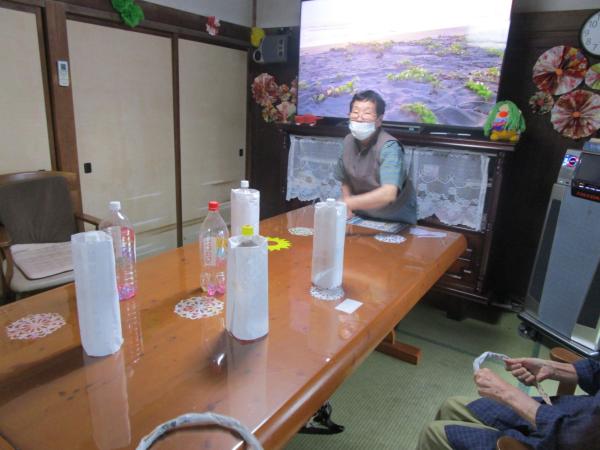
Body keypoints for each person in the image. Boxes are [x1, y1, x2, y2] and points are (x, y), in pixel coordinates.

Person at [417, 355, 600, 450]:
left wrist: (509, 394)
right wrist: (554, 368)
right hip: (573, 414)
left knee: (433, 433)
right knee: (452, 406)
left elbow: (573, 438)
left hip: (568, 438)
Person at [334, 90, 417, 224]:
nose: (359, 118)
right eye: (355, 112)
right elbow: (345, 178)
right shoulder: (348, 140)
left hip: (393, 216)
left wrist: (348, 202)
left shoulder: (390, 147)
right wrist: (348, 207)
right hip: (361, 214)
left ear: (379, 120)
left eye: (367, 113)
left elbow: (388, 194)